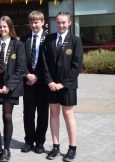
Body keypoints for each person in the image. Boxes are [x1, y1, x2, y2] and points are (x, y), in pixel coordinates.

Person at [42, 11, 83, 161]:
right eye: (58, 22)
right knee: (53, 114)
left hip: (67, 86)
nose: (61, 25)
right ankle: (55, 146)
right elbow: (44, 62)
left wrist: (63, 84)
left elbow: (76, 66)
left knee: (68, 115)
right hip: (51, 85)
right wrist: (49, 81)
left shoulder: (75, 41)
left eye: (64, 22)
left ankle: (72, 148)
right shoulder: (49, 39)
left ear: (69, 23)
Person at [0, 16, 27, 162]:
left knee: (7, 117)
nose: (2, 29)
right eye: (0, 27)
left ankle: (6, 150)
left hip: (10, 87)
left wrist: (8, 86)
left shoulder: (18, 45)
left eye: (5, 26)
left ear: (10, 27)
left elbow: (21, 69)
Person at [19, 11, 49, 154]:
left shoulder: (49, 38)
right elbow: (20, 60)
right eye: (31, 22)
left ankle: (40, 142)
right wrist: (27, 75)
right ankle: (29, 141)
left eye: (36, 22)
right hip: (28, 83)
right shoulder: (24, 39)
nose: (34, 25)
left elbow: (49, 62)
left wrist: (37, 75)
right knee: (28, 113)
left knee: (43, 113)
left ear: (43, 22)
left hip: (43, 82)